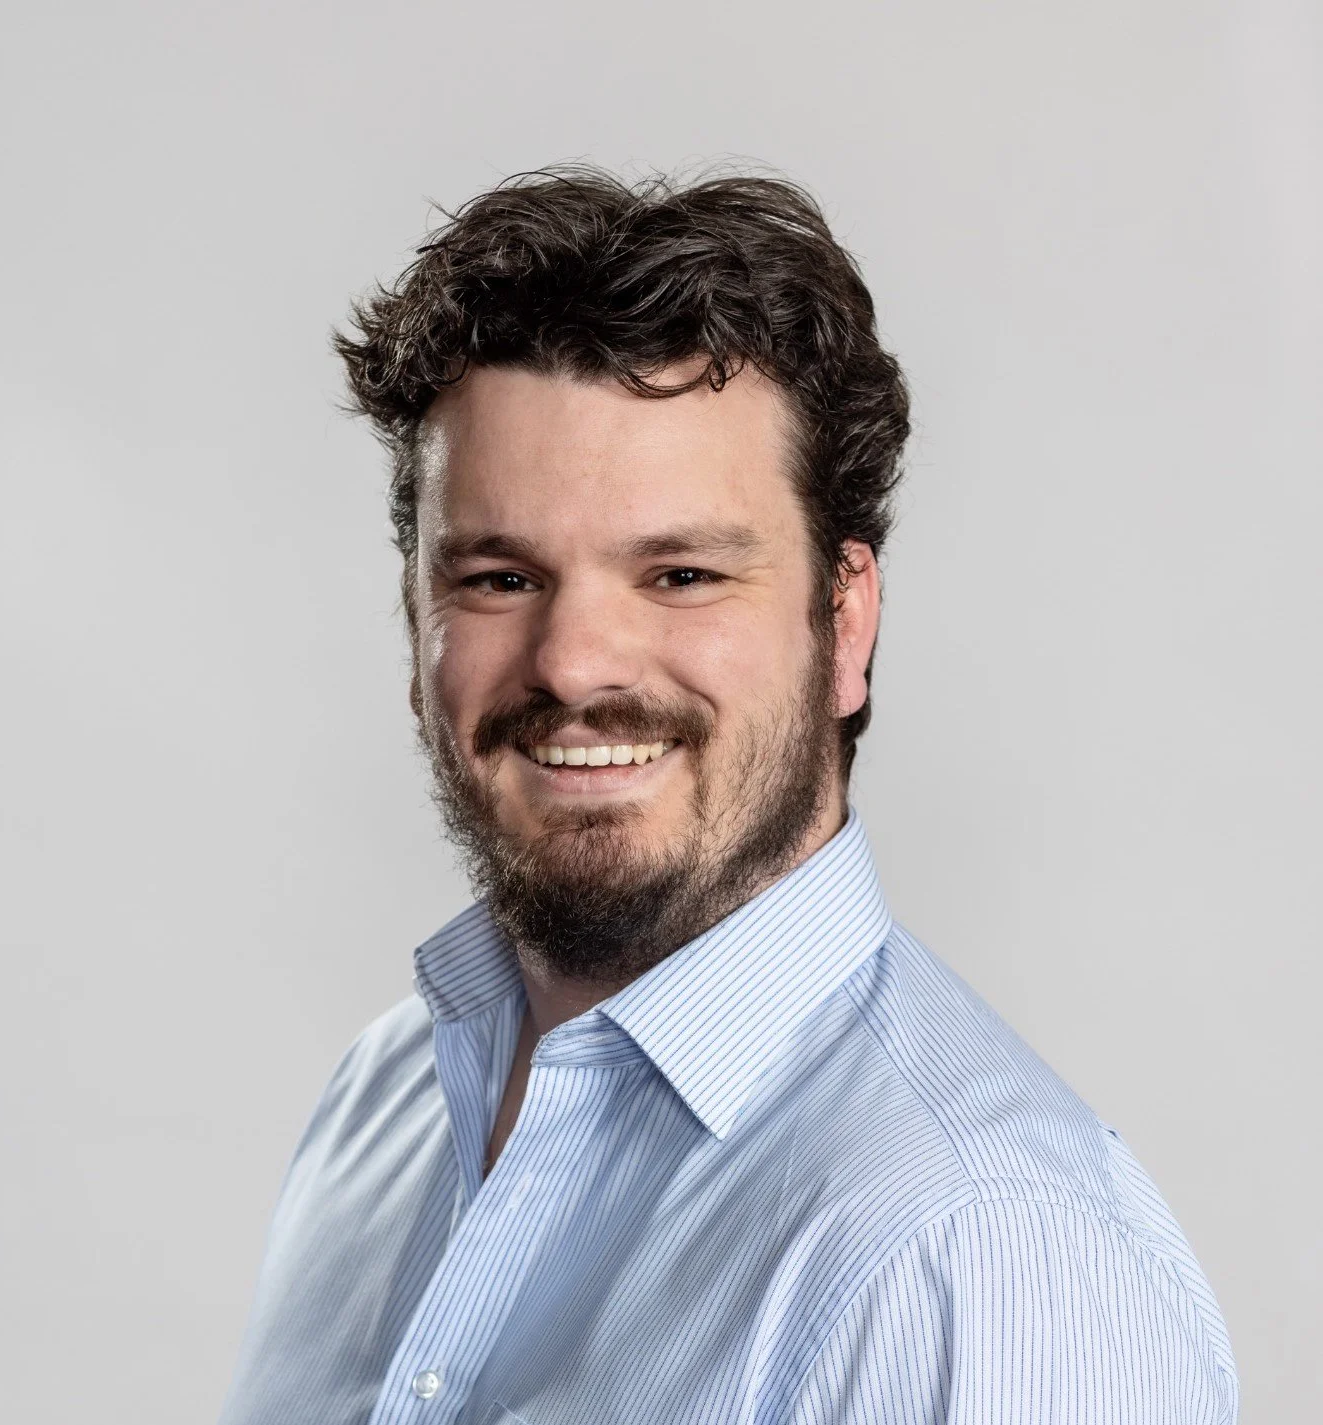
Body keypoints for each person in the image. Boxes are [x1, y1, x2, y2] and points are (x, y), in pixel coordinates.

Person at [219, 169, 1238, 1425]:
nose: (574, 663)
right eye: (497, 577)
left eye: (682, 573)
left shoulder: (976, 1256)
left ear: (844, 621)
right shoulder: (380, 1105)